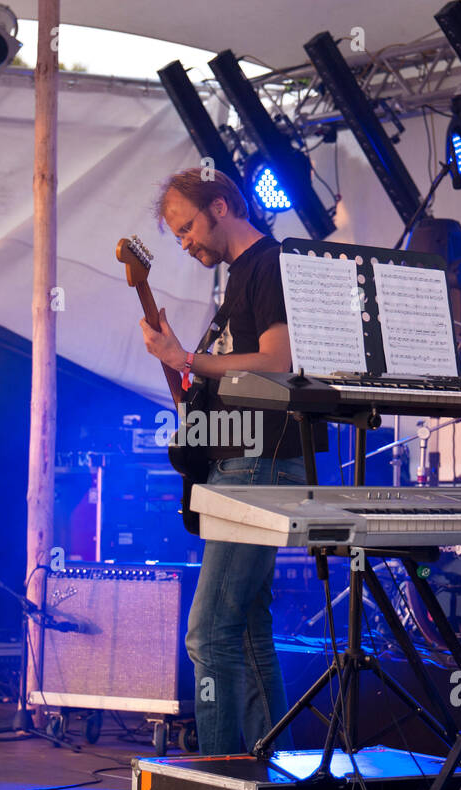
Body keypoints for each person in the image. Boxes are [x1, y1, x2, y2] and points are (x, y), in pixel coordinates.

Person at [141, 169, 319, 755]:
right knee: (245, 631)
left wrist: (185, 355)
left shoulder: (269, 264)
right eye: (176, 236)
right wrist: (183, 365)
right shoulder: (237, 279)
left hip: (257, 463)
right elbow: (229, 378)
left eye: (188, 227)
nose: (185, 242)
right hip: (242, 460)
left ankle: (217, 774)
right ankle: (274, 774)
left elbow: (276, 359)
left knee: (208, 633)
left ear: (221, 206)